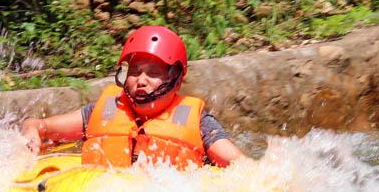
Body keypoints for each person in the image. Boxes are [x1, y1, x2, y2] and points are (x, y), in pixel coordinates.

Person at [20, 25, 246, 168]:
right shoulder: (105, 110)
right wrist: (32, 134)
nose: (141, 80)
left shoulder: (199, 123)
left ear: (176, 78)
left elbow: (240, 165)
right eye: (135, 71)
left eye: (154, 73)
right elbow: (39, 125)